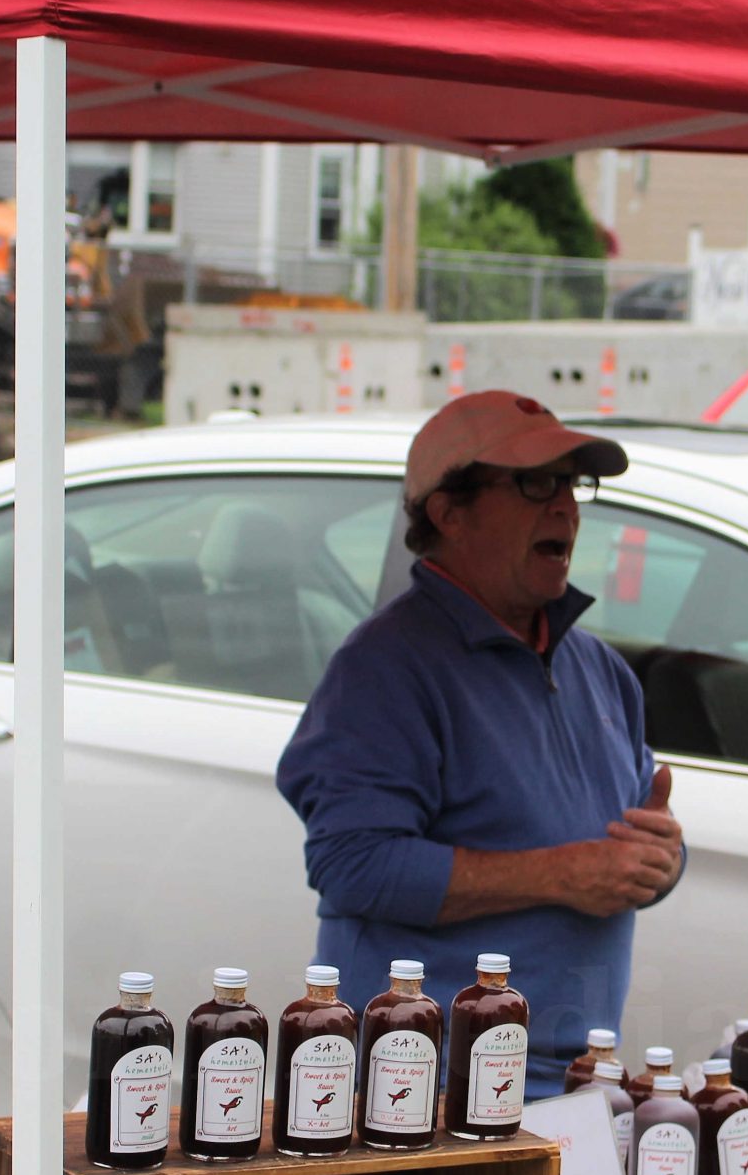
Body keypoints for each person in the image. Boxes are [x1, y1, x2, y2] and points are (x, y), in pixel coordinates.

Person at [276, 390, 683, 1094]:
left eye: (571, 483)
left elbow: (627, 851)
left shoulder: (601, 670)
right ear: (449, 512)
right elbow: (352, 863)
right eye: (534, 484)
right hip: (425, 1091)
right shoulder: (385, 669)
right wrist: (562, 873)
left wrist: (661, 858)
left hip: (577, 1083)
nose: (565, 506)